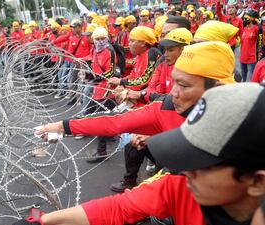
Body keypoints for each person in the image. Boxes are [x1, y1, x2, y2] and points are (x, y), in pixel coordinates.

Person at [15, 82, 265, 225]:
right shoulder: (181, 187)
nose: (185, 171)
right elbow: (118, 207)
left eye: (201, 163)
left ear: (256, 181)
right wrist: (43, 220)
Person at [36, 42, 235, 190]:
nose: (173, 92)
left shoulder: (247, 125)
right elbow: (115, 122)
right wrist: (62, 127)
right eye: (174, 83)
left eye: (183, 85)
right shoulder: (166, 108)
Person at [80, 27, 118, 162]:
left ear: (107, 39)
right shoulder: (94, 50)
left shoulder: (110, 51)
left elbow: (111, 72)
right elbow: (94, 64)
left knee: (101, 118)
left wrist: (95, 78)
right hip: (98, 89)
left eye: (103, 39)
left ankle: (101, 152)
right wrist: (89, 75)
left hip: (108, 90)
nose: (100, 42)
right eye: (97, 39)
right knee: (105, 116)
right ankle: (110, 135)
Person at [241, 9, 263, 82]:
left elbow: (261, 41)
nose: (246, 18)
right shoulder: (244, 28)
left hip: (252, 59)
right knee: (243, 79)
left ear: (253, 18)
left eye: (248, 16)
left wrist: (259, 26)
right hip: (242, 58)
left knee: (250, 81)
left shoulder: (257, 29)